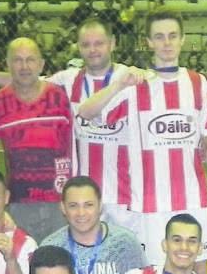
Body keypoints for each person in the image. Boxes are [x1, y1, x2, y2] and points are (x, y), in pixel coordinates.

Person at [89, 11, 207, 267]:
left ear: (182, 39)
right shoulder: (136, 84)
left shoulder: (198, 83)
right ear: (149, 42)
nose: (167, 43)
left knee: (199, 266)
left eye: (172, 36)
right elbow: (89, 113)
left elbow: (206, 138)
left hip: (193, 194)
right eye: (159, 37)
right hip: (151, 198)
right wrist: (118, 85)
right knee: (155, 271)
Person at [45, 19, 138, 230]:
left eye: (99, 43)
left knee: (128, 248)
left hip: (126, 193)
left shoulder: (132, 77)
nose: (93, 50)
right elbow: (27, 82)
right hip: (84, 196)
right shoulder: (67, 79)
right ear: (78, 47)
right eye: (86, 44)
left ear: (112, 43)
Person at [0, 38, 74, 242]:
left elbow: (72, 145)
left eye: (30, 60)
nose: (24, 66)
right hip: (18, 200)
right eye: (18, 60)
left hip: (58, 200)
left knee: (57, 256)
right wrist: (2, 193)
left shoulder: (59, 97)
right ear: (8, 64)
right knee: (20, 256)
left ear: (41, 64)